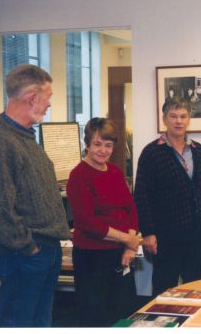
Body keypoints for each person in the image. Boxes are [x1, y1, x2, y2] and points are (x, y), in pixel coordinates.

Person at [0, 64, 71, 327]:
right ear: (31, 98)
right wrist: (29, 247)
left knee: (39, 324)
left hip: (43, 252)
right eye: (48, 97)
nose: (49, 104)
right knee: (18, 324)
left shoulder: (25, 138)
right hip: (25, 255)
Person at [134, 96, 201, 296]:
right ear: (164, 119)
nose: (178, 121)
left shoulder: (198, 151)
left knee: (196, 289)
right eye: (173, 116)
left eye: (183, 116)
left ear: (189, 119)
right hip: (165, 237)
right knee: (164, 290)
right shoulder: (151, 153)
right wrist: (147, 232)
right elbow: (141, 196)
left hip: (196, 234)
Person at [66, 118, 141, 326]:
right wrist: (128, 239)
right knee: (96, 319)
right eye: (97, 144)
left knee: (123, 316)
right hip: (92, 259)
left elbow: (131, 209)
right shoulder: (78, 176)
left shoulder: (115, 172)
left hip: (120, 255)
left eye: (108, 145)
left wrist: (130, 247)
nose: (103, 150)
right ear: (87, 144)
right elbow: (88, 223)